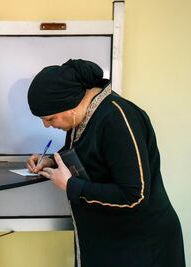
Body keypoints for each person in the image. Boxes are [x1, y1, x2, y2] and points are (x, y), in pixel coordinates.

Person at [26, 59, 185, 267]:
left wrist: (71, 186)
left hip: (140, 246)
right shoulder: (82, 117)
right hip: (112, 239)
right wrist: (52, 161)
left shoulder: (118, 119)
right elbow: (91, 158)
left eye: (50, 118)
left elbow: (134, 196)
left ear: (70, 106)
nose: (46, 126)